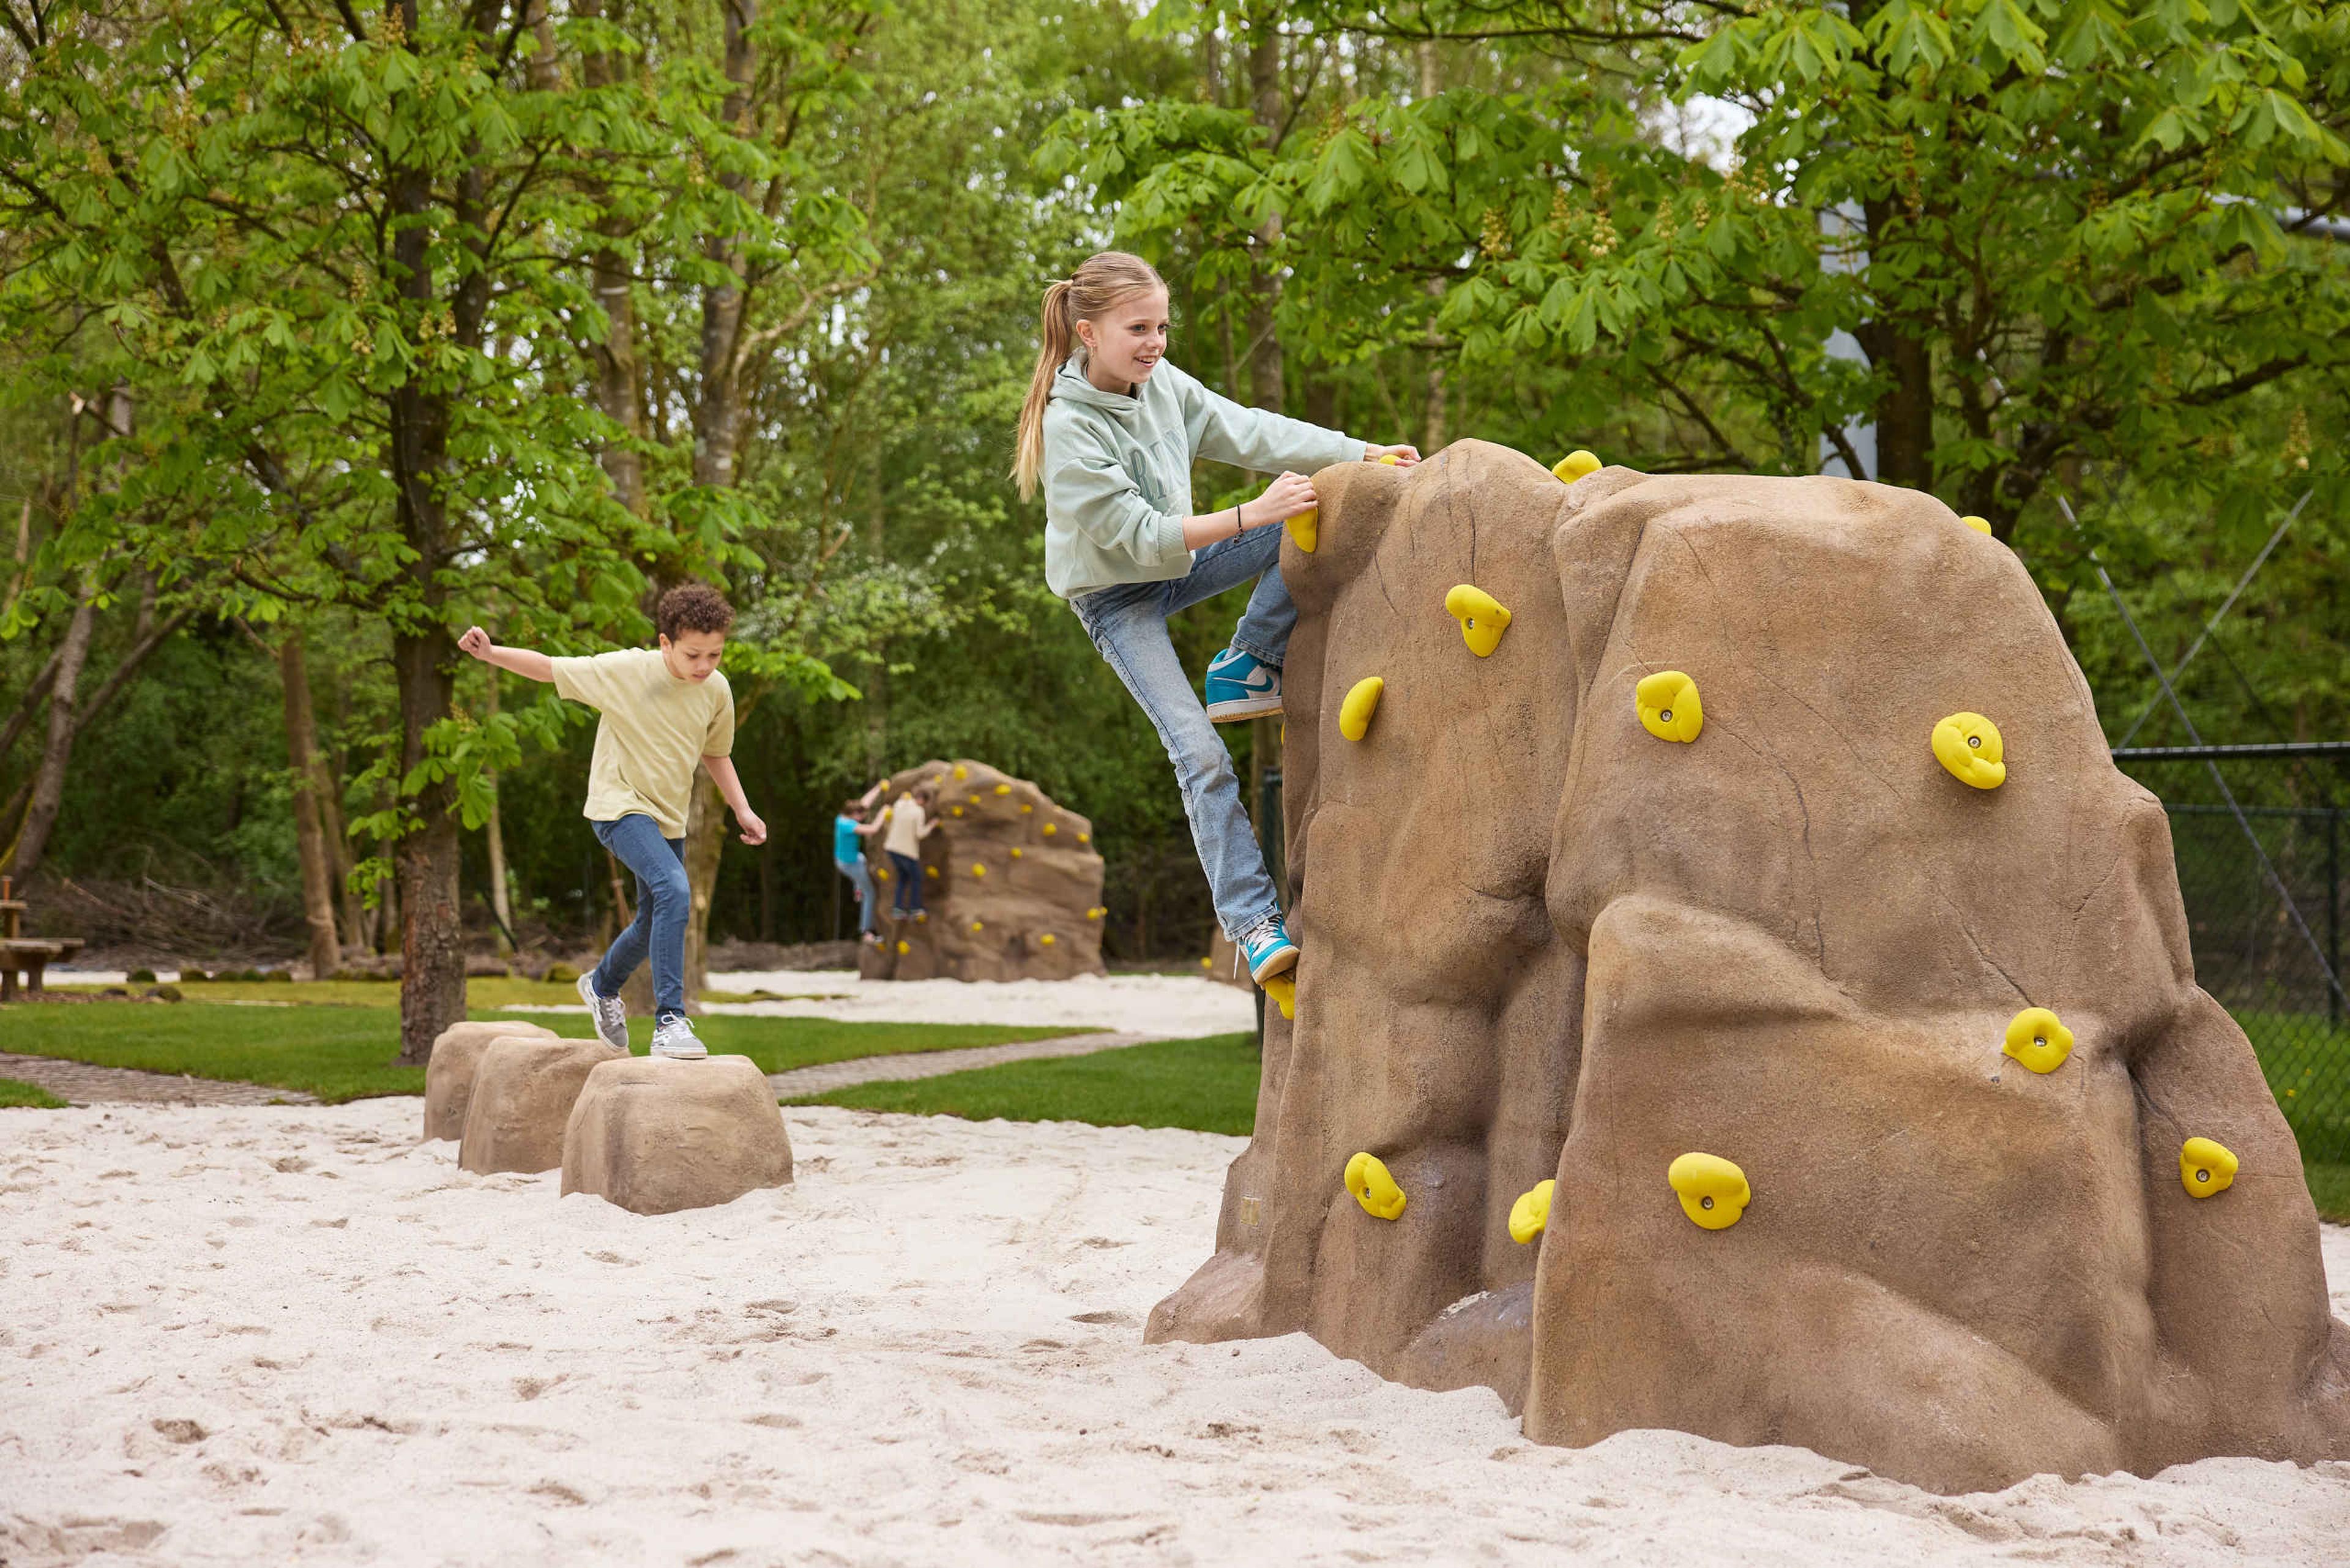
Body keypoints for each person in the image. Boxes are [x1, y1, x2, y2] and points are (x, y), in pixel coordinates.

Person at [1010, 250, 1417, 985]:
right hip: (1115, 597)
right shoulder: (1069, 427)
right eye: (1138, 328)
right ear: (1086, 332)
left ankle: (1246, 661)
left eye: (1162, 326)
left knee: (1323, 497)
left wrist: (1361, 454)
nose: (1155, 342)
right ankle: (1255, 926)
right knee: (1198, 755)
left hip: (1180, 559)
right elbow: (1138, 536)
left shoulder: (1162, 385)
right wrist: (1247, 514)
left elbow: (1251, 431)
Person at [457, 583, 767, 1060]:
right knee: (675, 889)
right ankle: (670, 1020)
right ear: (665, 643)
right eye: (693, 655)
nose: (704, 666)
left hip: (667, 818)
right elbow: (549, 668)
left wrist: (742, 809)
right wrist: (491, 652)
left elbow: (716, 753)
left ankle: (602, 987)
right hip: (618, 807)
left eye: (715, 654)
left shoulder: (717, 691)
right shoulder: (626, 670)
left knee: (654, 916)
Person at [878, 783, 939, 922]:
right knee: (917, 878)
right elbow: (920, 834)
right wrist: (931, 825)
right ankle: (915, 909)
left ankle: (898, 909)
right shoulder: (918, 811)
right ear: (923, 800)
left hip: (891, 848)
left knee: (903, 878)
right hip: (906, 852)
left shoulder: (899, 804)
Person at [834, 790, 886, 944]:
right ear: (854, 814)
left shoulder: (842, 817)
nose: (863, 818)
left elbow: (864, 802)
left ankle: (858, 889)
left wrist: (879, 788)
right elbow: (873, 829)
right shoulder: (848, 826)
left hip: (851, 859)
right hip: (850, 865)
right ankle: (866, 932)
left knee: (862, 859)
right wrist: (884, 812)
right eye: (861, 816)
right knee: (871, 893)